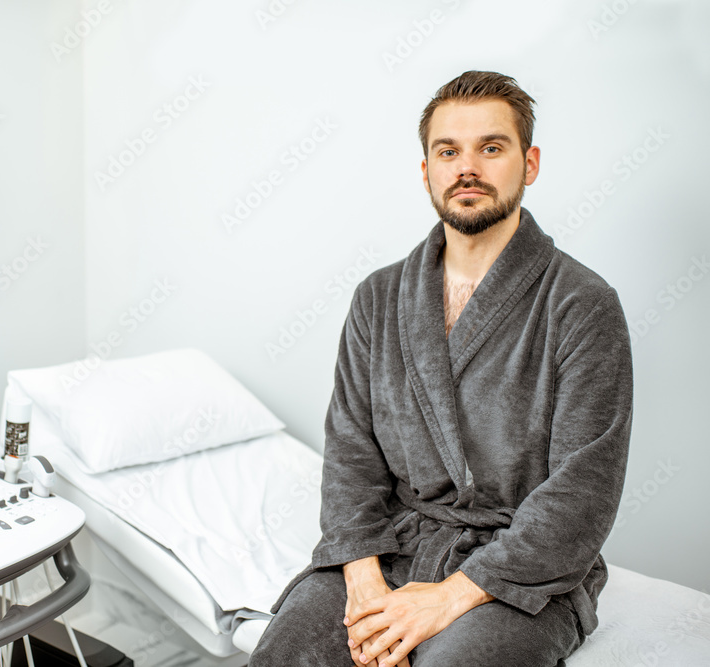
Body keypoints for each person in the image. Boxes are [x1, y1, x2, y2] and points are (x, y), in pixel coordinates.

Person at [249, 70, 633, 666]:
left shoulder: (582, 304)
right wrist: (364, 581)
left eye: (492, 147)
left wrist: (446, 600)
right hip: (394, 547)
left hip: (521, 570)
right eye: (447, 151)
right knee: (287, 651)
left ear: (529, 164)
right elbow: (351, 452)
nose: (467, 167)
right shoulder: (378, 299)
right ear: (426, 169)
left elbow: (584, 491)